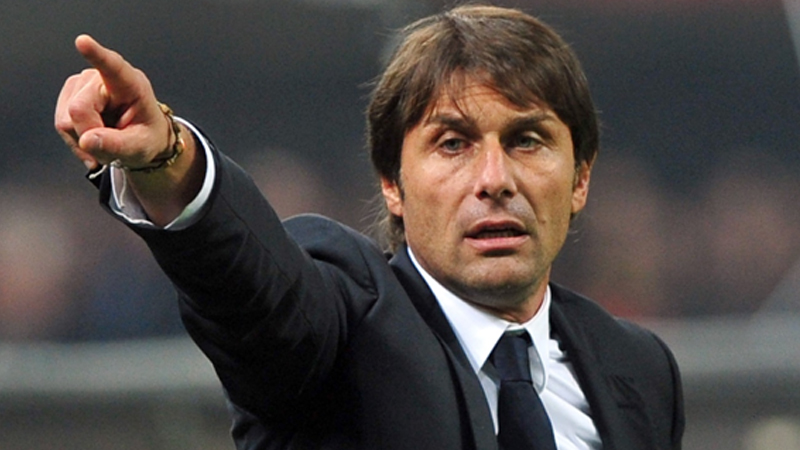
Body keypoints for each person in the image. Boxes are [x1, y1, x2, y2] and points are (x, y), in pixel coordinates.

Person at [55, 5, 684, 450]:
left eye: (526, 140)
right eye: (453, 144)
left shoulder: (638, 369)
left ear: (579, 179)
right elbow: (253, 289)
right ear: (392, 184)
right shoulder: (344, 325)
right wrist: (167, 161)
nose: (495, 179)